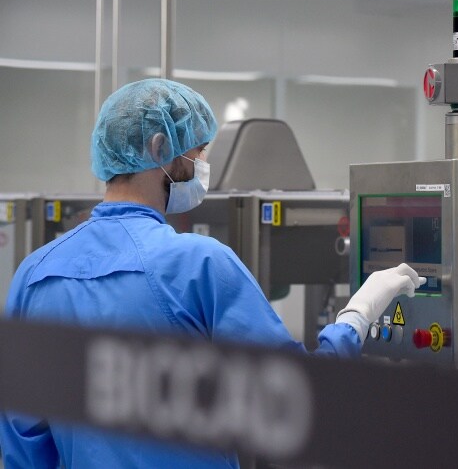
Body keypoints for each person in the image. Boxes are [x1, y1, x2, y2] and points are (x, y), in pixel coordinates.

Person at [0, 79, 425, 468]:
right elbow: (299, 398)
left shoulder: (35, 274)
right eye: (199, 152)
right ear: (159, 146)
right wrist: (359, 315)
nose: (204, 166)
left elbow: (24, 446)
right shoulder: (198, 265)